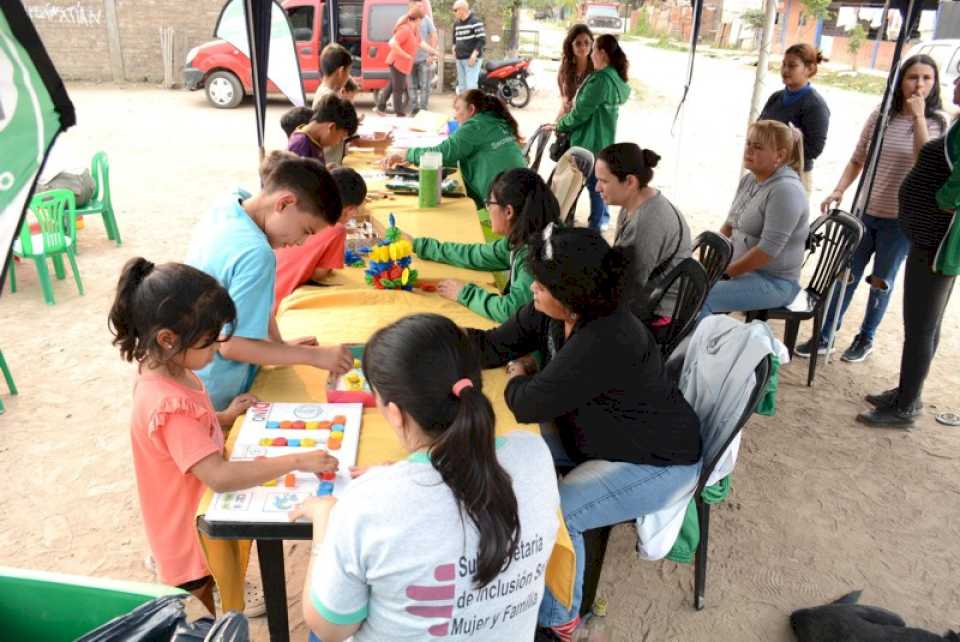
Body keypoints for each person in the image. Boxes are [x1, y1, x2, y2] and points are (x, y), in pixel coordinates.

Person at [465, 226, 701, 640]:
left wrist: (520, 374)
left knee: (564, 512)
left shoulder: (608, 335)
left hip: (656, 459)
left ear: (573, 294)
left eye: (544, 282)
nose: (533, 287)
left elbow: (527, 403)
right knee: (509, 455)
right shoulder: (552, 311)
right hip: (595, 435)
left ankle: (559, 623)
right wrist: (436, 344)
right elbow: (492, 345)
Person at [293, 313, 560, 642]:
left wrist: (326, 520)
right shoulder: (534, 454)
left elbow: (328, 628)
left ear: (395, 413)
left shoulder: (364, 505)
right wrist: (400, 480)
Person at [110, 258, 339, 615]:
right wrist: (297, 460)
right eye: (208, 341)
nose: (218, 348)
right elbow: (219, 476)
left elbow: (186, 433)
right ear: (168, 339)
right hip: (189, 538)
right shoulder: (167, 403)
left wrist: (224, 416)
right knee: (205, 617)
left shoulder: (168, 370)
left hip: (188, 518)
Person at [796, 54, 946, 362]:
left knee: (881, 280)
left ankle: (866, 337)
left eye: (926, 78)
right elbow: (857, 158)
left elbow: (924, 161)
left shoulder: (937, 122)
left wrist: (918, 118)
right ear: (900, 81)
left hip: (900, 218)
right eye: (912, 77)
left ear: (934, 83)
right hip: (866, 210)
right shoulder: (882, 115)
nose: (918, 84)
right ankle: (826, 334)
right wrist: (839, 189)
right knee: (845, 274)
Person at [185, 155, 352, 411]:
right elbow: (232, 346)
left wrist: (279, 346)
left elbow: (250, 302)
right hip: (218, 389)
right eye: (306, 231)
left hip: (191, 372)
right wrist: (314, 356)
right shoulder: (257, 253)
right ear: (285, 203)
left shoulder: (231, 202)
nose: (301, 243)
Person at [857, 77, 960, 428]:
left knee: (920, 326)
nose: (957, 81)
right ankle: (906, 391)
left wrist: (940, 203)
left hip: (938, 244)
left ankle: (906, 406)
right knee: (924, 325)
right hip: (930, 239)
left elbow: (953, 191)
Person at [402, 168, 561, 322]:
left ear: (508, 212)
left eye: (489, 204)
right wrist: (419, 245)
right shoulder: (525, 237)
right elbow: (476, 255)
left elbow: (510, 311)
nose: (488, 209)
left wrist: (463, 293)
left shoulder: (536, 254)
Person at [700, 120, 810, 318]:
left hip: (774, 282)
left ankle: (706, 347)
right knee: (685, 288)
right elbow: (728, 226)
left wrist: (725, 273)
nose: (749, 150)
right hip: (740, 271)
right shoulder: (750, 179)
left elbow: (767, 251)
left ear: (780, 155)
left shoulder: (786, 190)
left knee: (699, 297)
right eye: (748, 144)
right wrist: (711, 262)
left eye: (758, 147)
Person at [384, 90, 526, 211]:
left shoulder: (475, 126)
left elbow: (444, 154)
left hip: (506, 200)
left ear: (471, 109)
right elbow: (453, 153)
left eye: (458, 109)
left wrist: (406, 154)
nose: (455, 115)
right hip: (520, 190)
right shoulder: (495, 121)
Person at [595, 143, 692, 320]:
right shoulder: (634, 203)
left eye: (604, 181)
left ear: (630, 181)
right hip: (646, 298)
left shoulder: (646, 222)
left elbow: (627, 288)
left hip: (659, 312)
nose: (597, 188)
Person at [548, 34, 630, 231]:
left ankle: (592, 231)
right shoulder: (615, 78)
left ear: (602, 53)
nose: (590, 53)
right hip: (603, 142)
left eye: (593, 49)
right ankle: (595, 228)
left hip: (587, 143)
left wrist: (559, 125)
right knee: (598, 189)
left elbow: (579, 114)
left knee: (579, 187)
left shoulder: (600, 80)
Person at [274, 166, 367, 314]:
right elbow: (319, 275)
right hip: (278, 304)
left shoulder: (300, 208)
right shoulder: (336, 229)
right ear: (350, 210)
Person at [759, 43, 830, 191]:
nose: (785, 70)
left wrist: (793, 143)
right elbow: (759, 129)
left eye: (792, 66)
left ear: (809, 69)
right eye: (783, 64)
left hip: (794, 179)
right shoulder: (776, 98)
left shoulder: (815, 105)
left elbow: (814, 149)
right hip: (766, 171)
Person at [375, 0, 425, 118]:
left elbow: (421, 43)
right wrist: (405, 55)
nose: (421, 23)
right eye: (421, 20)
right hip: (397, 62)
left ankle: (380, 107)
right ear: (417, 19)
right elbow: (392, 42)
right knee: (399, 89)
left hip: (402, 64)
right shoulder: (405, 29)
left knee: (392, 85)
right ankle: (400, 113)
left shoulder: (415, 31)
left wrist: (434, 52)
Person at [287, 94, 358, 167]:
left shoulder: (314, 140)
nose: (337, 143)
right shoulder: (300, 145)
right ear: (332, 128)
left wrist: (325, 170)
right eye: (340, 138)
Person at [556, 24, 594, 119]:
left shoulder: (596, 68)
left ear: (592, 44)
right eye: (578, 43)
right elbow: (561, 88)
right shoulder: (565, 67)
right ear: (571, 46)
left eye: (586, 43)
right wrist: (564, 100)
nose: (583, 47)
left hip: (589, 120)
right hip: (568, 117)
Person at [452, 0, 485, 94]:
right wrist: (454, 48)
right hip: (460, 59)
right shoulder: (456, 24)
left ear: (462, 10)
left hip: (471, 59)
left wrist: (474, 55)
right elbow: (454, 39)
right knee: (462, 87)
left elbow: (481, 40)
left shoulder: (475, 21)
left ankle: (473, 107)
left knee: (470, 87)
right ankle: (464, 108)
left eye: (455, 10)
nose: (454, 12)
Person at [411, 9, 438, 114]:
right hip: (410, 59)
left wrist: (432, 54)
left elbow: (434, 35)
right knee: (411, 86)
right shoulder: (407, 20)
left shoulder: (426, 19)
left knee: (425, 86)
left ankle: (423, 111)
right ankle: (414, 110)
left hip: (424, 59)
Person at [311, 43, 353, 109]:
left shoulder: (323, 91)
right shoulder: (330, 99)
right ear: (341, 71)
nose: (348, 76)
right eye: (348, 71)